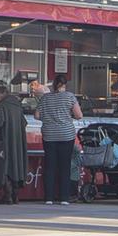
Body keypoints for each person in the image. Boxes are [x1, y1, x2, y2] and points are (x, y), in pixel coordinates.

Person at [35, 74, 82, 205]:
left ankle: (48, 198)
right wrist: (67, 116)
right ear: (65, 84)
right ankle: (64, 198)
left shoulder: (45, 98)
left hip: (49, 135)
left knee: (49, 166)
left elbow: (37, 115)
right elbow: (79, 115)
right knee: (64, 166)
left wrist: (49, 118)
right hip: (66, 135)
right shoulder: (70, 97)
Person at [0, 83, 29, 205]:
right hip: (18, 141)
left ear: (2, 94)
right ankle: (16, 196)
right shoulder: (17, 105)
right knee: (16, 166)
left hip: (5, 140)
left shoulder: (2, 105)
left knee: (5, 166)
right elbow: (24, 122)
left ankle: (7, 196)